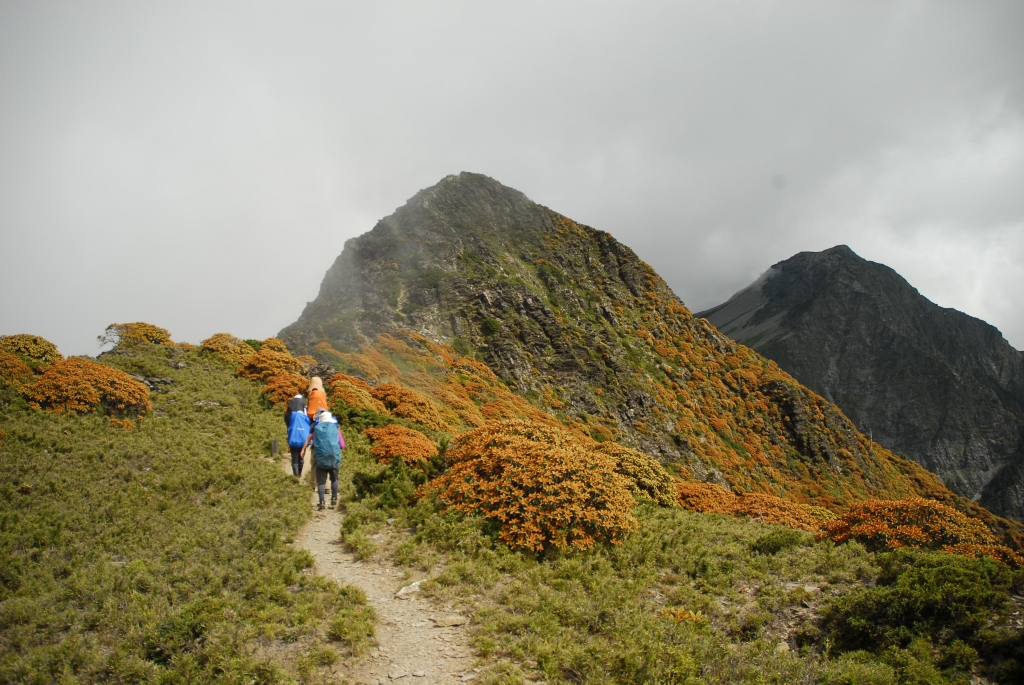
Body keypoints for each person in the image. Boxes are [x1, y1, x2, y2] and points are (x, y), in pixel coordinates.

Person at [304, 408, 344, 510]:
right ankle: (334, 500)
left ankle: (321, 503)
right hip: (334, 458)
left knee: (321, 482)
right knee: (334, 479)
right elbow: (342, 445)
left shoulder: (316, 429)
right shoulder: (336, 429)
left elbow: (312, 443)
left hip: (321, 459)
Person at [284, 393, 310, 477]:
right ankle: (299, 474)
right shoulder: (304, 405)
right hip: (303, 438)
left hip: (293, 435)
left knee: (294, 457)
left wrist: (289, 428)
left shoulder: (290, 404)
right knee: (301, 457)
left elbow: (286, 418)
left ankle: (295, 476)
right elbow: (308, 421)